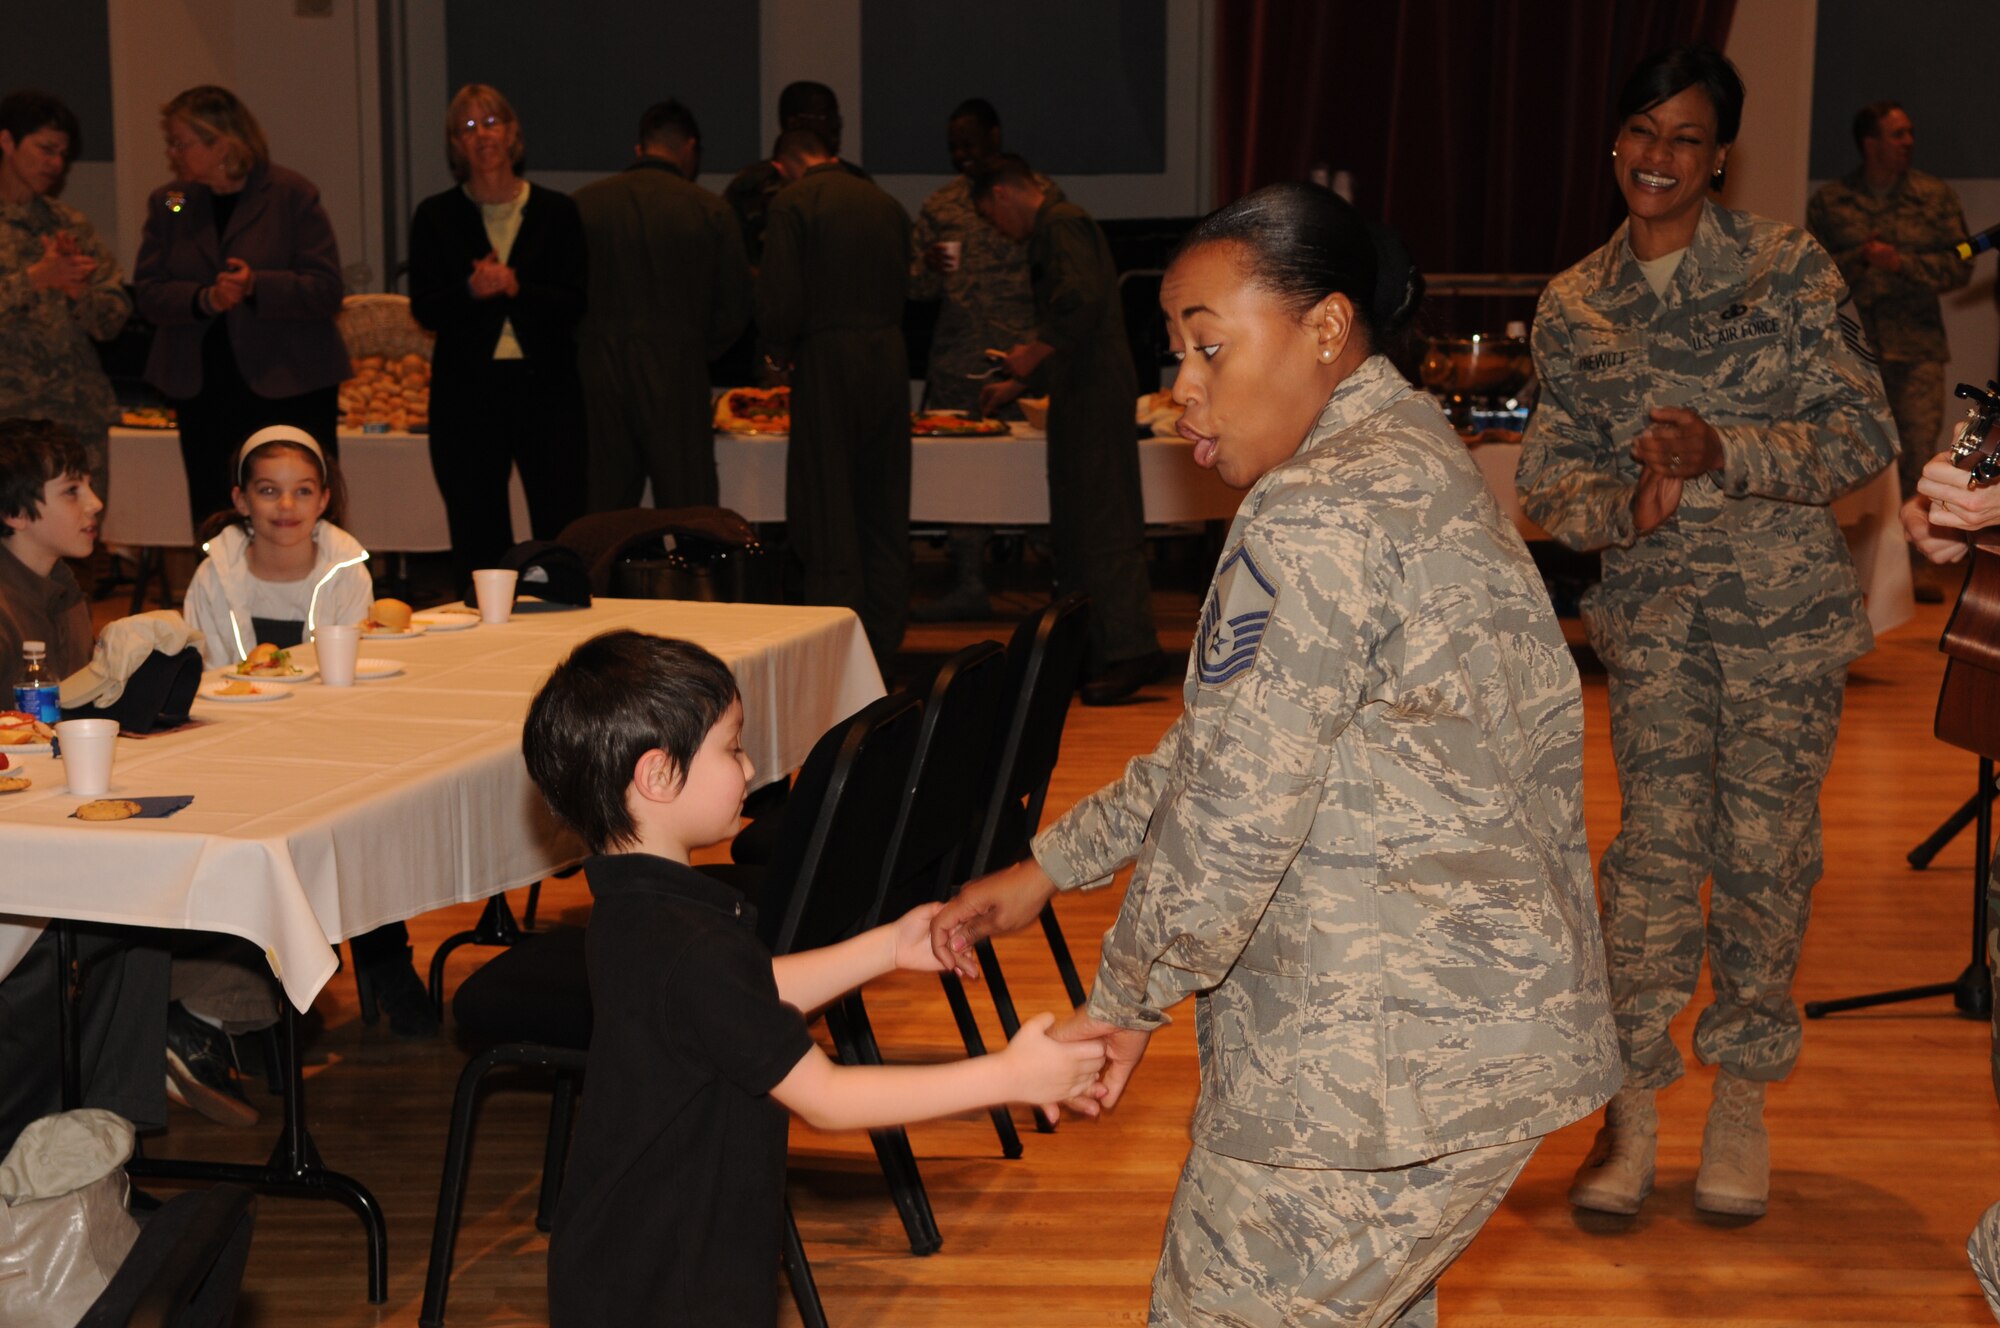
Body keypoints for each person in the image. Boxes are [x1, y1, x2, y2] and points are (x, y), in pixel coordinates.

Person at [931, 184, 1619, 1326]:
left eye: (1208, 345)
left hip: (1363, 1070)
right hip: (1457, 1041)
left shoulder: (1314, 513)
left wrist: (1121, 1004)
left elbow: (1235, 808)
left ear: (1324, 329)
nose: (1179, 387)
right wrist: (1057, 859)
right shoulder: (1411, 454)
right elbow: (1238, 742)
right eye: (1173, 351)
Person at [1515, 45, 1896, 1221]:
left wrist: (1726, 450)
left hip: (1779, 628)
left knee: (1764, 862)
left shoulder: (1782, 268)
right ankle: (1629, 1104)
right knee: (1649, 867)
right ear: (1614, 141)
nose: (1658, 158)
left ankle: (1741, 1095)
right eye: (1641, 131)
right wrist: (1619, 505)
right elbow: (1544, 481)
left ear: (1718, 155)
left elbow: (1861, 434)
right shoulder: (1576, 303)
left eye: (1684, 138)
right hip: (1657, 628)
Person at [526, 630, 1106, 1326]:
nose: (748, 768)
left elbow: (744, 996)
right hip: (670, 1284)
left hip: (630, 1259)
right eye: (732, 748)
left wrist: (889, 947)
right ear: (658, 775)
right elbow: (826, 1096)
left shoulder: (635, 906)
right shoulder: (689, 945)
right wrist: (1008, 1078)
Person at [182, 424, 436, 1038]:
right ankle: (274, 983)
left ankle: (384, 955)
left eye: (302, 491)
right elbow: (202, 674)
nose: (285, 507)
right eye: (268, 491)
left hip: (330, 738)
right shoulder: (213, 578)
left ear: (325, 499)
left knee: (359, 827)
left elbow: (350, 670)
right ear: (241, 500)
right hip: (237, 744)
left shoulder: (348, 573)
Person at [0, 418, 170, 1155]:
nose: (95, 502)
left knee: (143, 913)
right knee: (105, 917)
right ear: (14, 514)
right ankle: (32, 1138)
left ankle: (105, 1135)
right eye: (72, 490)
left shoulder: (62, 586)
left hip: (51, 812)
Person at [973, 155, 1170, 704]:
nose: (999, 231)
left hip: (1094, 393)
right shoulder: (1061, 225)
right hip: (1081, 388)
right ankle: (1097, 651)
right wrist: (1020, 383)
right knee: (1081, 524)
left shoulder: (1060, 224)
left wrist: (1028, 357)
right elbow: (1075, 328)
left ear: (1003, 194)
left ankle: (1132, 650)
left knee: (1103, 520)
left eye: (991, 217)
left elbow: (1081, 304)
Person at [132, 85, 350, 537]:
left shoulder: (290, 195)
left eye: (181, 142)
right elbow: (149, 294)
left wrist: (257, 286)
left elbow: (326, 289)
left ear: (222, 143)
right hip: (204, 389)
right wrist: (202, 299)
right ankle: (221, 600)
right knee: (216, 509)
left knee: (295, 506)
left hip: (289, 384)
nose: (172, 153)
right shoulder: (171, 202)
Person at [409, 83, 587, 591]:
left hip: (546, 388)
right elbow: (425, 307)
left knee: (561, 516)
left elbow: (575, 303)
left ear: (512, 134)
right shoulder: (436, 216)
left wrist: (515, 287)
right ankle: (486, 628)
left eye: (491, 123)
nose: (482, 135)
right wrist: (470, 289)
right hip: (467, 392)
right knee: (476, 523)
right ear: (454, 145)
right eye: (467, 127)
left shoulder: (557, 212)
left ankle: (566, 621)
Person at [755, 128, 913, 662]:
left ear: (785, 165)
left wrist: (776, 354)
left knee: (828, 504)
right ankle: (885, 641)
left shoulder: (793, 202)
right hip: (889, 355)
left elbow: (782, 295)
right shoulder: (886, 203)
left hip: (828, 357)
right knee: (883, 502)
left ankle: (837, 652)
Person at [573, 99, 752, 512]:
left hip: (599, 373)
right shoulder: (710, 211)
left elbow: (563, 296)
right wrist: (694, 349)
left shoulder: (584, 205)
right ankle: (690, 578)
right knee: (690, 513)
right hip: (677, 373)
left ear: (639, 149)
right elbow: (735, 306)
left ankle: (596, 578)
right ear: (690, 148)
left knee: (601, 513)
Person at [908, 99, 1044, 623]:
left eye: (969, 143)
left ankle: (1052, 576)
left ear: (994, 135)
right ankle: (968, 581)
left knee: (1032, 469)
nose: (961, 155)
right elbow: (915, 288)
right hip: (957, 359)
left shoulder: (1038, 194)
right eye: (954, 147)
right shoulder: (941, 204)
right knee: (958, 476)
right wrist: (923, 266)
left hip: (1024, 357)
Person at [1807, 101, 1970, 502]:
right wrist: (1859, 259)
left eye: (1910, 133)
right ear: (1870, 143)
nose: (1909, 142)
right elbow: (1811, 276)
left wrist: (1902, 264)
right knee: (1852, 454)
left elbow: (1960, 265)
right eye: (1898, 134)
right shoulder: (1831, 202)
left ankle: (1915, 560)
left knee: (1918, 459)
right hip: (1852, 353)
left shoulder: (1933, 197)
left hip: (1916, 352)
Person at [0, 91, 129, 503]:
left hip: (75, 417)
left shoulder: (70, 224)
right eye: (45, 148)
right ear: (7, 142)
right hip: (7, 418)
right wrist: (34, 279)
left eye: (63, 153)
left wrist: (79, 294)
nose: (55, 163)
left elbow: (113, 321)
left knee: (77, 546)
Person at [724, 80, 866, 268]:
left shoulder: (856, 182)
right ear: (794, 123)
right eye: (825, 117)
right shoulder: (750, 185)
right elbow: (731, 257)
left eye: (836, 118)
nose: (835, 126)